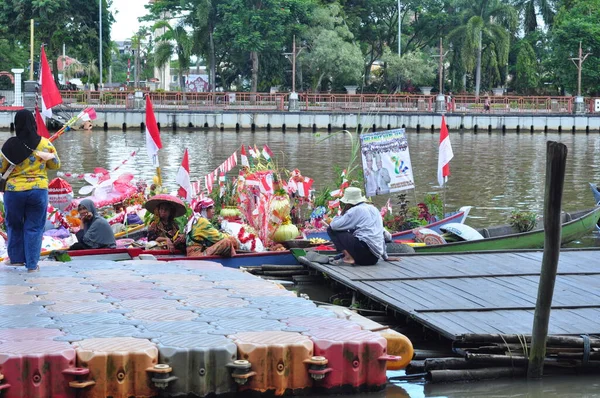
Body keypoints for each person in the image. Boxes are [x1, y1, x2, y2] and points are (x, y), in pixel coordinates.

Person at [1, 109, 60, 272]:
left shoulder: (10, 145)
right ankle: (32, 264)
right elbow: (55, 165)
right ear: (34, 124)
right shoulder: (45, 144)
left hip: (14, 191)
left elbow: (1, 167)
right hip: (38, 191)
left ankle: (16, 259)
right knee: (34, 227)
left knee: (13, 225)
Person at [327, 187, 395, 266]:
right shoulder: (374, 209)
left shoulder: (355, 210)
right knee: (353, 231)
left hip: (363, 255)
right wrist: (385, 256)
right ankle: (346, 256)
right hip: (374, 259)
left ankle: (348, 256)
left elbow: (333, 226)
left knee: (330, 229)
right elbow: (380, 232)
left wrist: (342, 213)